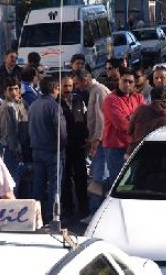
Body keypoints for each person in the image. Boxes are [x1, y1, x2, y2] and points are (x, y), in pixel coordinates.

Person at [28, 76, 67, 223]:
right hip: (52, 151)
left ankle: (36, 217)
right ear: (55, 89)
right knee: (54, 186)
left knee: (38, 184)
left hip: (37, 150)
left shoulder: (33, 105)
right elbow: (61, 133)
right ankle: (53, 217)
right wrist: (63, 147)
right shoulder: (54, 106)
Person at [73, 69, 110, 220]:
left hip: (101, 142)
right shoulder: (94, 91)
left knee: (98, 176)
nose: (76, 87)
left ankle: (95, 212)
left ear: (85, 80)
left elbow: (102, 118)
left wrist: (97, 139)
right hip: (98, 140)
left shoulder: (99, 91)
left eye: (77, 83)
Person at [102, 67, 145, 187]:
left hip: (134, 145)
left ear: (134, 83)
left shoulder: (138, 97)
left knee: (134, 183)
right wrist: (135, 120)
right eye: (124, 80)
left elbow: (145, 119)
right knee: (118, 184)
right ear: (119, 80)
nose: (127, 84)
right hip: (116, 147)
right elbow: (122, 125)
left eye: (130, 82)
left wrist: (131, 119)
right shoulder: (111, 99)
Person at [60, 76, 89, 218]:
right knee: (65, 178)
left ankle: (83, 207)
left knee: (81, 177)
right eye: (65, 86)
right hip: (64, 146)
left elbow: (85, 118)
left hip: (79, 145)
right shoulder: (56, 102)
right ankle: (68, 208)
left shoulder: (79, 100)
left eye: (70, 86)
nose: (68, 89)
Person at [0, 77, 30, 194]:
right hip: (12, 149)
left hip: (24, 148)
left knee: (25, 184)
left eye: (16, 89)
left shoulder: (23, 103)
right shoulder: (6, 108)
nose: (14, 92)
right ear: (5, 91)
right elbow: (9, 133)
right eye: (10, 89)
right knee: (13, 184)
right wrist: (16, 150)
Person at [127, 86, 166, 156]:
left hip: (137, 152)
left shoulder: (141, 110)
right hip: (162, 154)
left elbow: (129, 131)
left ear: (151, 97)